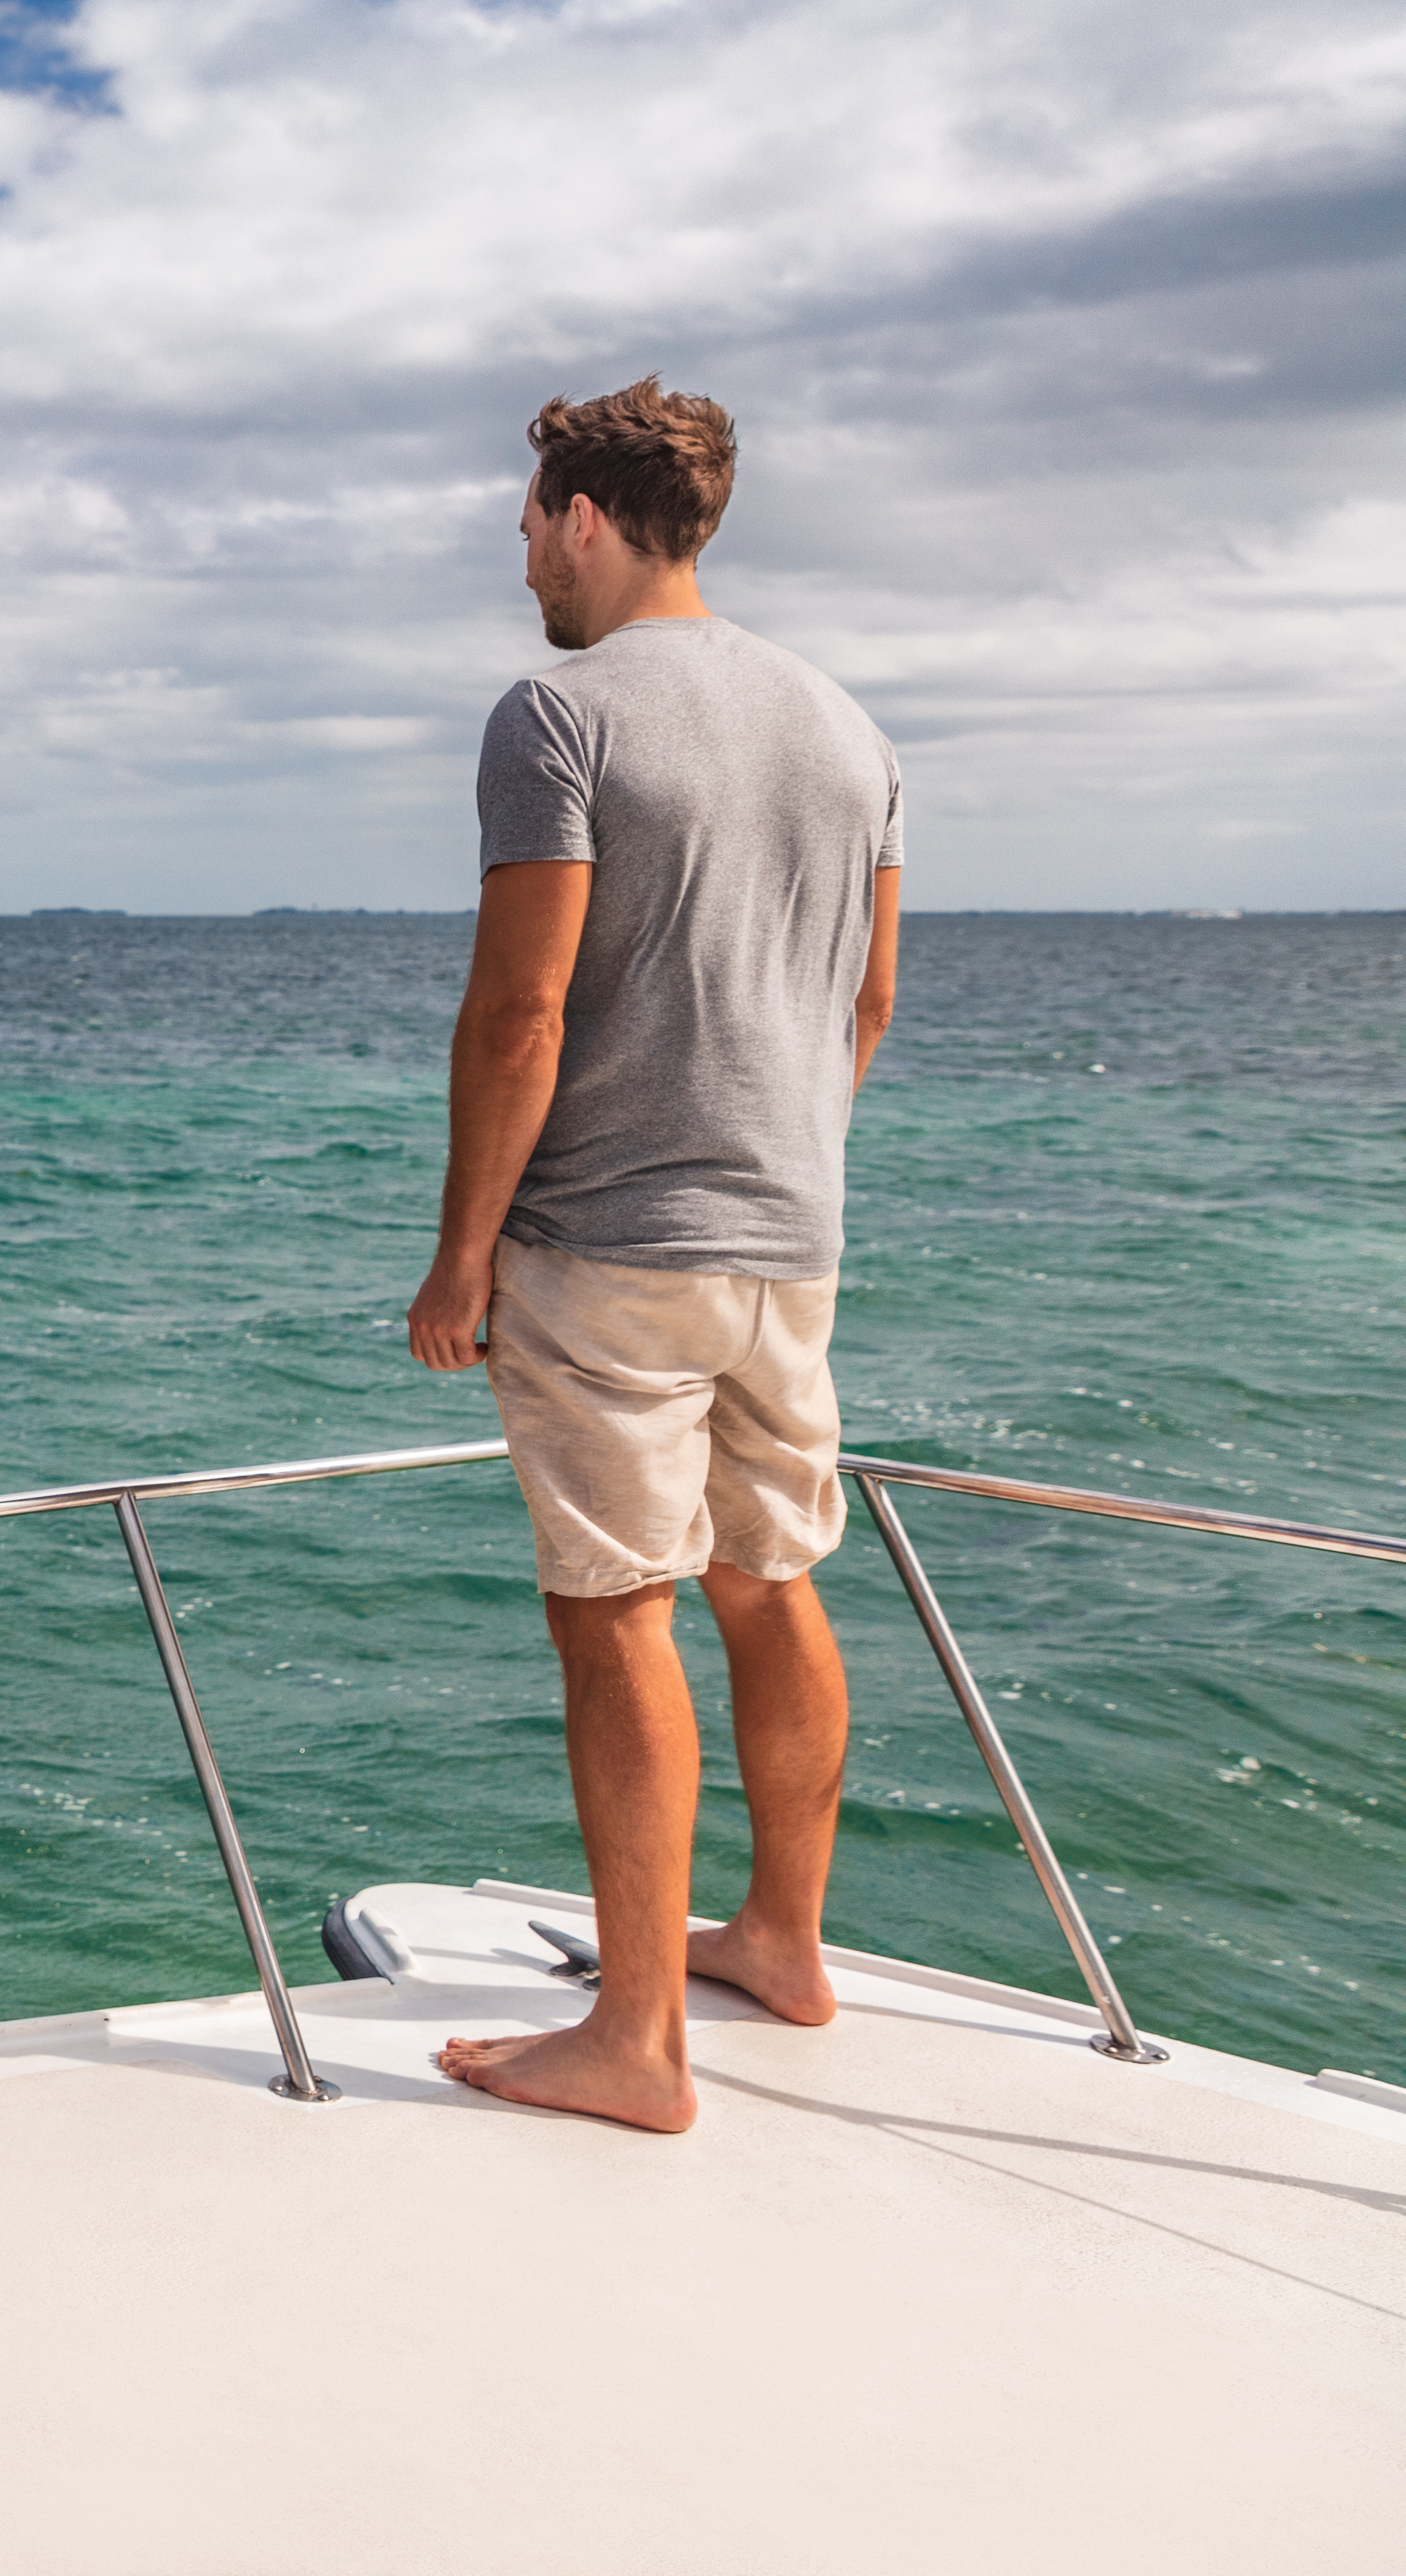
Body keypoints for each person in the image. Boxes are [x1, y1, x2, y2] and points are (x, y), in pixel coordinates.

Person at [406, 377, 903, 2136]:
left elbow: (519, 1008)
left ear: (588, 521)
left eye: (530, 523)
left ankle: (631, 2042)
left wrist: (460, 1250)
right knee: (766, 1583)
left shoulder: (555, 712)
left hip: (610, 1243)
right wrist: (776, 1157)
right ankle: (781, 1939)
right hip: (791, 1233)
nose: (521, 555)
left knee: (611, 1610)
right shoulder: (843, 727)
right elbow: (863, 997)